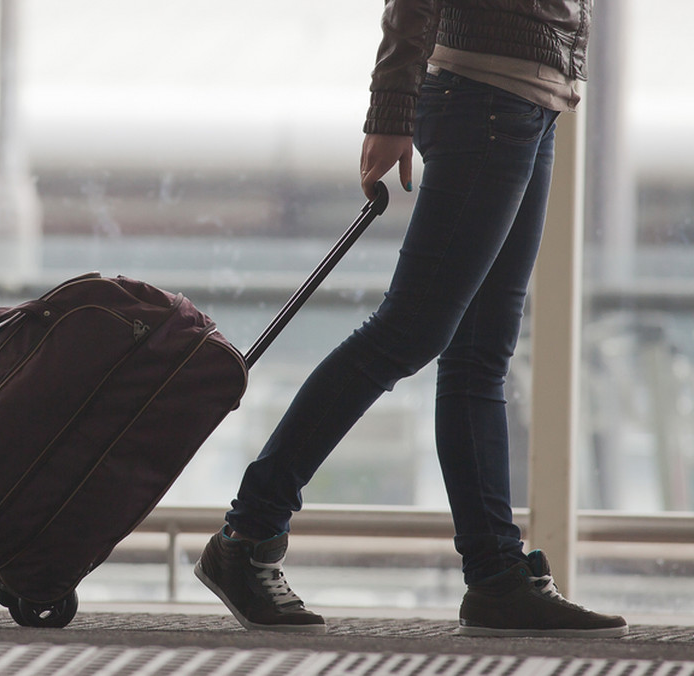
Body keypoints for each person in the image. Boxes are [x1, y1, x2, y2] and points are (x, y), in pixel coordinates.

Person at [195, 0, 629, 637]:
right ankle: (247, 533)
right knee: (410, 330)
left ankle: (496, 577)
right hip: (484, 94)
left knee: (480, 351)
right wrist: (390, 108)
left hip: (529, 99)